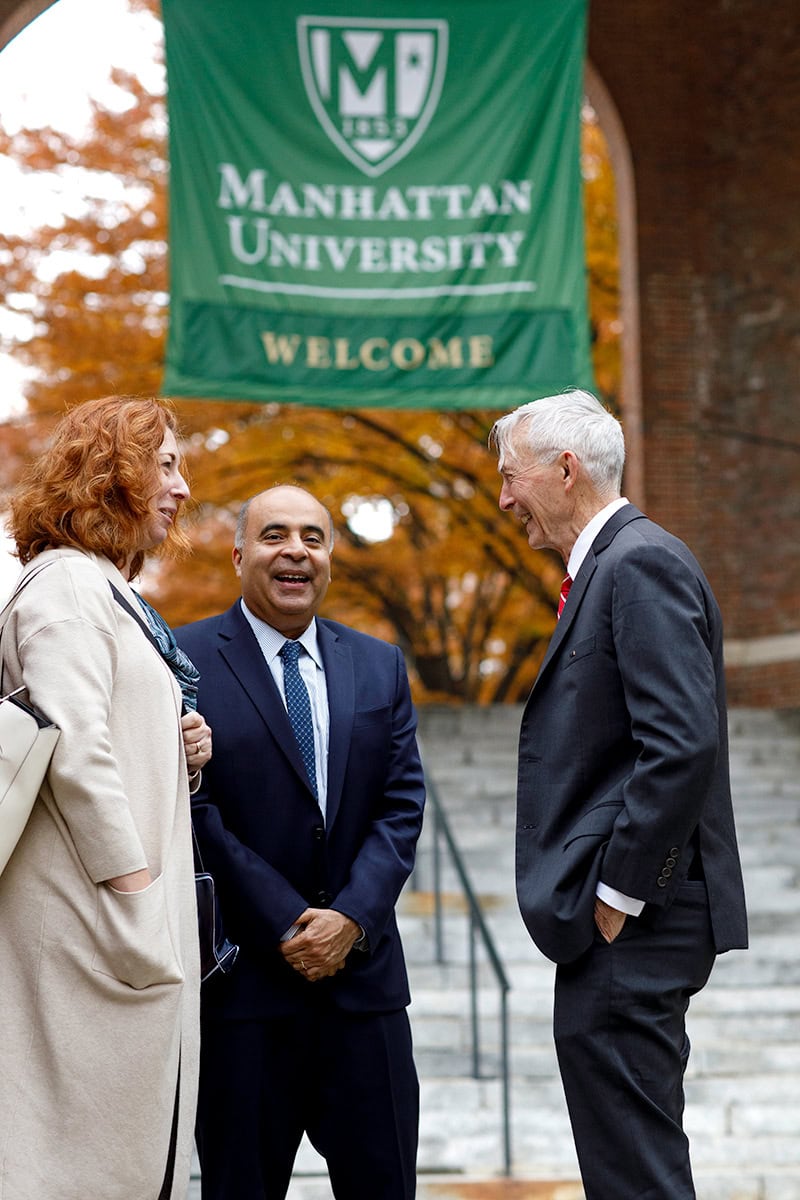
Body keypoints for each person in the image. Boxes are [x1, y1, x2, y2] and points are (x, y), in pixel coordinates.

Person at [490, 389, 748, 1200]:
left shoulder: (638, 562)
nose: (504, 500)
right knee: (627, 1167)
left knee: (635, 1173)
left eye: (511, 477)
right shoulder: (615, 565)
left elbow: (680, 742)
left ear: (565, 471)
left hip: (638, 923)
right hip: (627, 930)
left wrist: (618, 891)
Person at [175, 484, 426, 1200]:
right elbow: (197, 811)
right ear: (239, 554)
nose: (295, 551)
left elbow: (401, 804)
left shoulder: (379, 664)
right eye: (275, 535)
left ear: (330, 558)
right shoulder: (183, 660)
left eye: (313, 538)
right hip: (246, 997)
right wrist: (288, 922)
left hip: (366, 992)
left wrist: (351, 918)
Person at [0, 395, 212, 1200]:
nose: (182, 487)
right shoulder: (66, 588)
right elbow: (76, 751)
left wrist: (180, 745)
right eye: (164, 465)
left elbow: (102, 731)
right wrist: (136, 896)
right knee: (70, 1167)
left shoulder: (95, 591)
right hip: (90, 932)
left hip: (104, 931)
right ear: (109, 473)